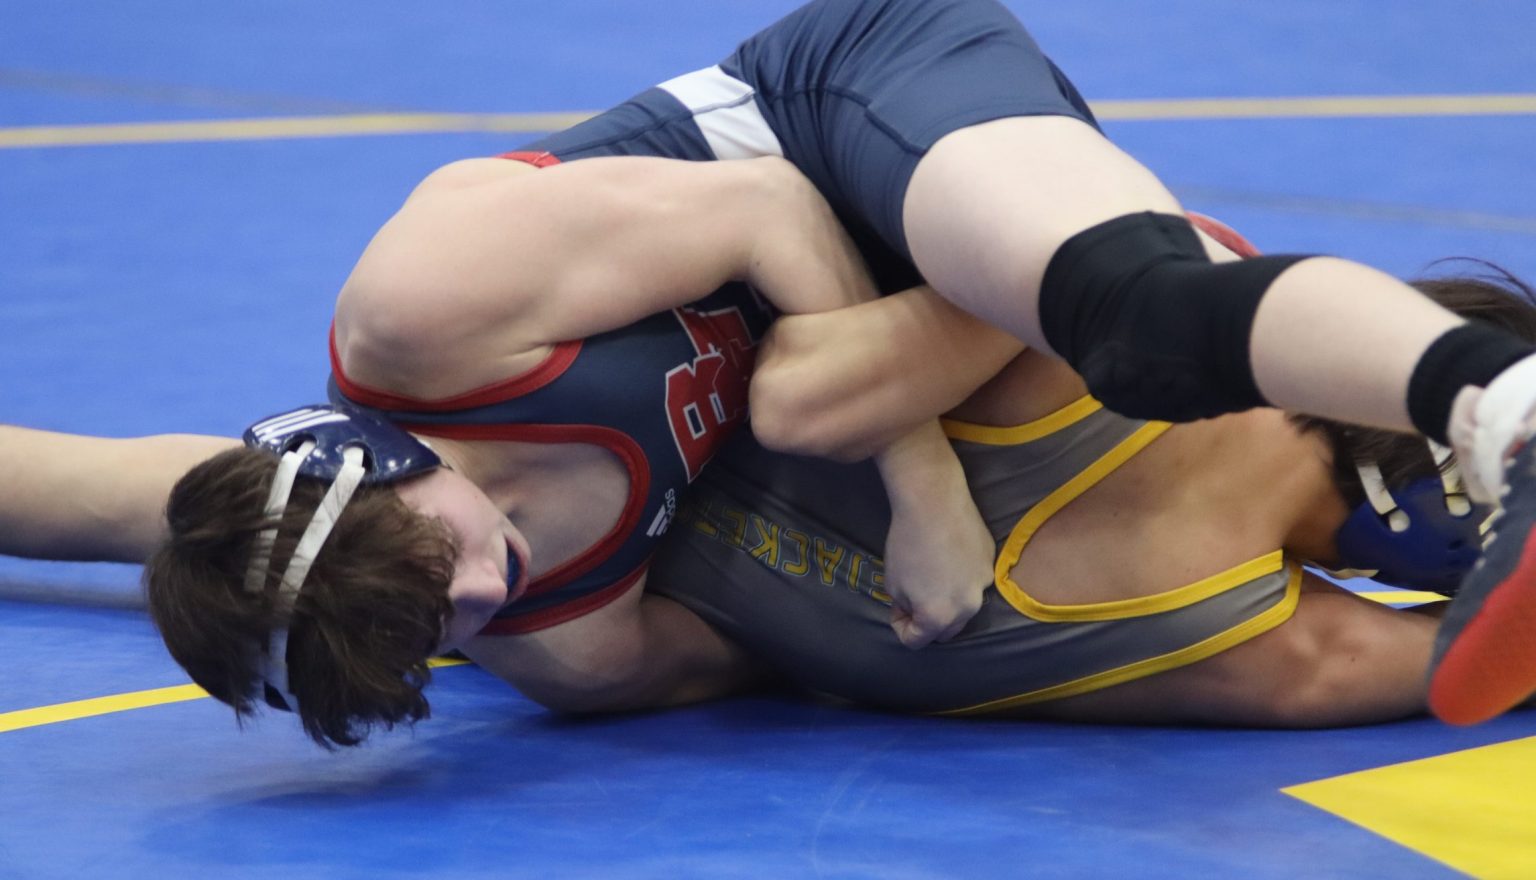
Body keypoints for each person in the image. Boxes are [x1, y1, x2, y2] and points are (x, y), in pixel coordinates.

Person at [11, 0, 1536, 740]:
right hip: (907, 371)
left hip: (845, 129)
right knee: (169, 520)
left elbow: (765, 209)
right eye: (436, 635)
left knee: (1114, 304)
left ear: (394, 460)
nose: (478, 598)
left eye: (441, 573)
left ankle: (1495, 403)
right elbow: (775, 655)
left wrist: (920, 490)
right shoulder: (558, 642)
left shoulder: (426, 314)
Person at [4, 255, 1528, 731]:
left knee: (154, 498)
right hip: (606, 530)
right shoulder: (1261, 628)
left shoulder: (1141, 338)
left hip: (583, 526)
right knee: (144, 499)